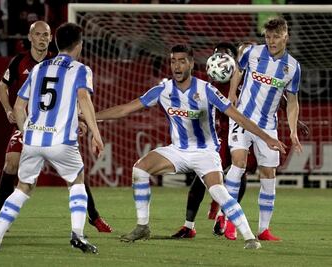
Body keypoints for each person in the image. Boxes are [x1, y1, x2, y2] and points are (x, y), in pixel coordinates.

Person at [96, 44, 287, 249]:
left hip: (205, 152)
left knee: (218, 192)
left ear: (191, 63)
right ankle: (143, 226)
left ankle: (250, 238)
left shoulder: (206, 90)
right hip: (177, 150)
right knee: (139, 169)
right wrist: (90, 118)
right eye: (173, 61)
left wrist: (266, 138)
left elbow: (238, 117)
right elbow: (125, 109)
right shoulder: (163, 90)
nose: (177, 66)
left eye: (182, 61)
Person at [0, 22, 104, 253]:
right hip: (61, 141)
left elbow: (19, 106)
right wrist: (95, 134)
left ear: (55, 42)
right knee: (77, 182)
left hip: (33, 140)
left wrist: (26, 133)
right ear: (79, 45)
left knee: (23, 187)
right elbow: (84, 99)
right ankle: (78, 235)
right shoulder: (80, 69)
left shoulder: (39, 69)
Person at [172, 42, 310, 241]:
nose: (221, 59)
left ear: (233, 59)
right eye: (217, 54)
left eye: (226, 54)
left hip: (245, 126)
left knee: (241, 170)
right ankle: (190, 225)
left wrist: (297, 121)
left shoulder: (244, 76)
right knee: (203, 175)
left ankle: (224, 217)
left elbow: (275, 95)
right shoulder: (208, 81)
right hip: (218, 134)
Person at [226, 16, 302, 241]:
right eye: (268, 37)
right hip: (242, 117)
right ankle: (230, 222)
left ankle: (263, 229)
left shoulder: (293, 68)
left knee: (268, 174)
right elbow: (238, 72)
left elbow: (292, 102)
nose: (271, 41)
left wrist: (293, 131)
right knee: (238, 163)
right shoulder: (252, 52)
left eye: (276, 37)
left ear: (285, 36)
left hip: (268, 125)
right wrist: (232, 93)